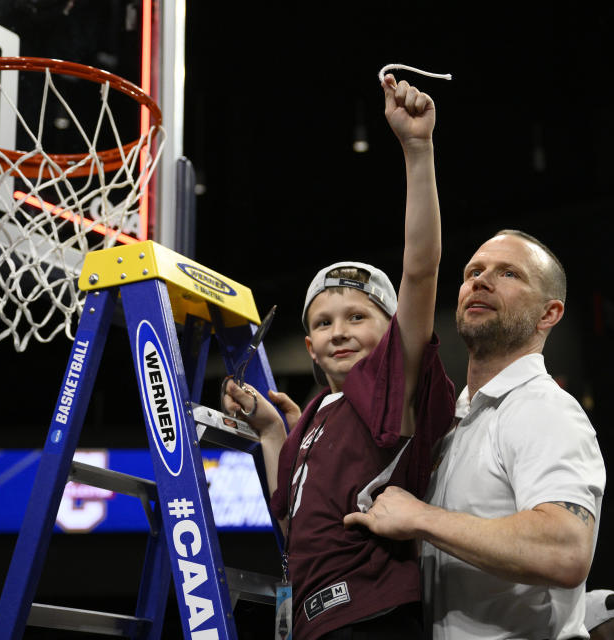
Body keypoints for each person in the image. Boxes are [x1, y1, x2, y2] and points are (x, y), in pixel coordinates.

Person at [222, 73, 455, 640]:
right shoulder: (318, 416)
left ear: (394, 330)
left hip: (372, 618)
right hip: (315, 622)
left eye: (358, 317)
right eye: (324, 323)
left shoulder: (388, 389)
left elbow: (420, 269)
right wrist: (274, 432)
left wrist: (417, 150)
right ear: (308, 346)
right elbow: (288, 519)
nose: (339, 331)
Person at [343, 230, 607, 639]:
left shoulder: (543, 407)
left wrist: (421, 517)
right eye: (474, 272)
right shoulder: (457, 422)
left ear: (549, 314)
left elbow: (566, 550)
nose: (480, 281)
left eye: (509, 274)